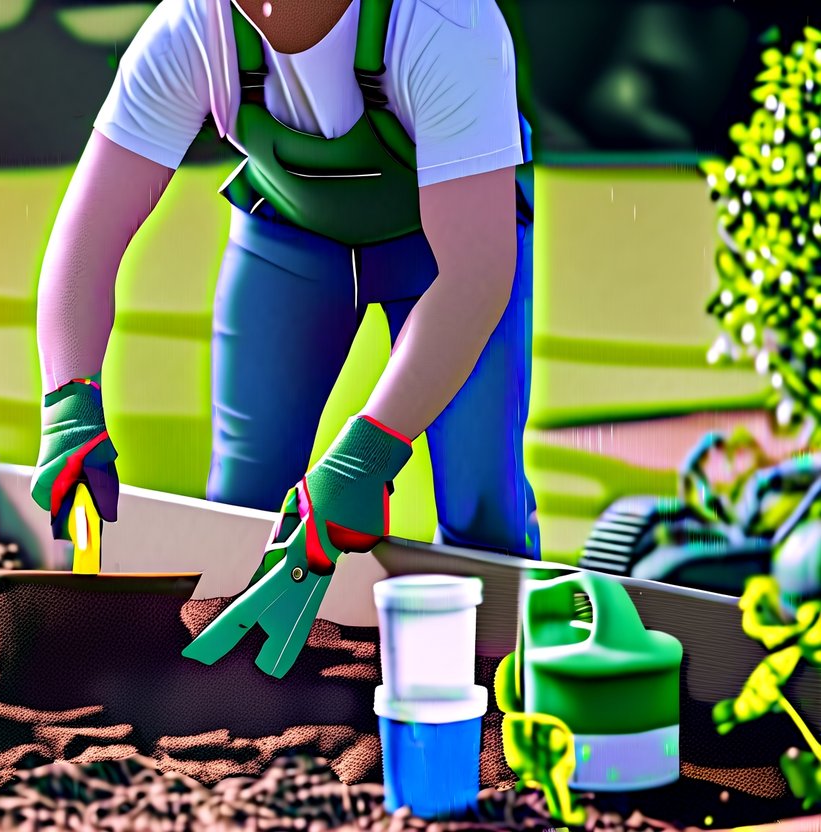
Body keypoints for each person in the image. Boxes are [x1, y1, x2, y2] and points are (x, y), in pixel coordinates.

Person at [32, 0, 539, 674]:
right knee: (243, 499)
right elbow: (87, 240)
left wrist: (367, 456)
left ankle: (499, 690)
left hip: (445, 257)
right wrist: (69, 401)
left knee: (482, 508)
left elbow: (474, 279)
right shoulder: (192, 28)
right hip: (288, 244)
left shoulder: (443, 25)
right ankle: (238, 693)